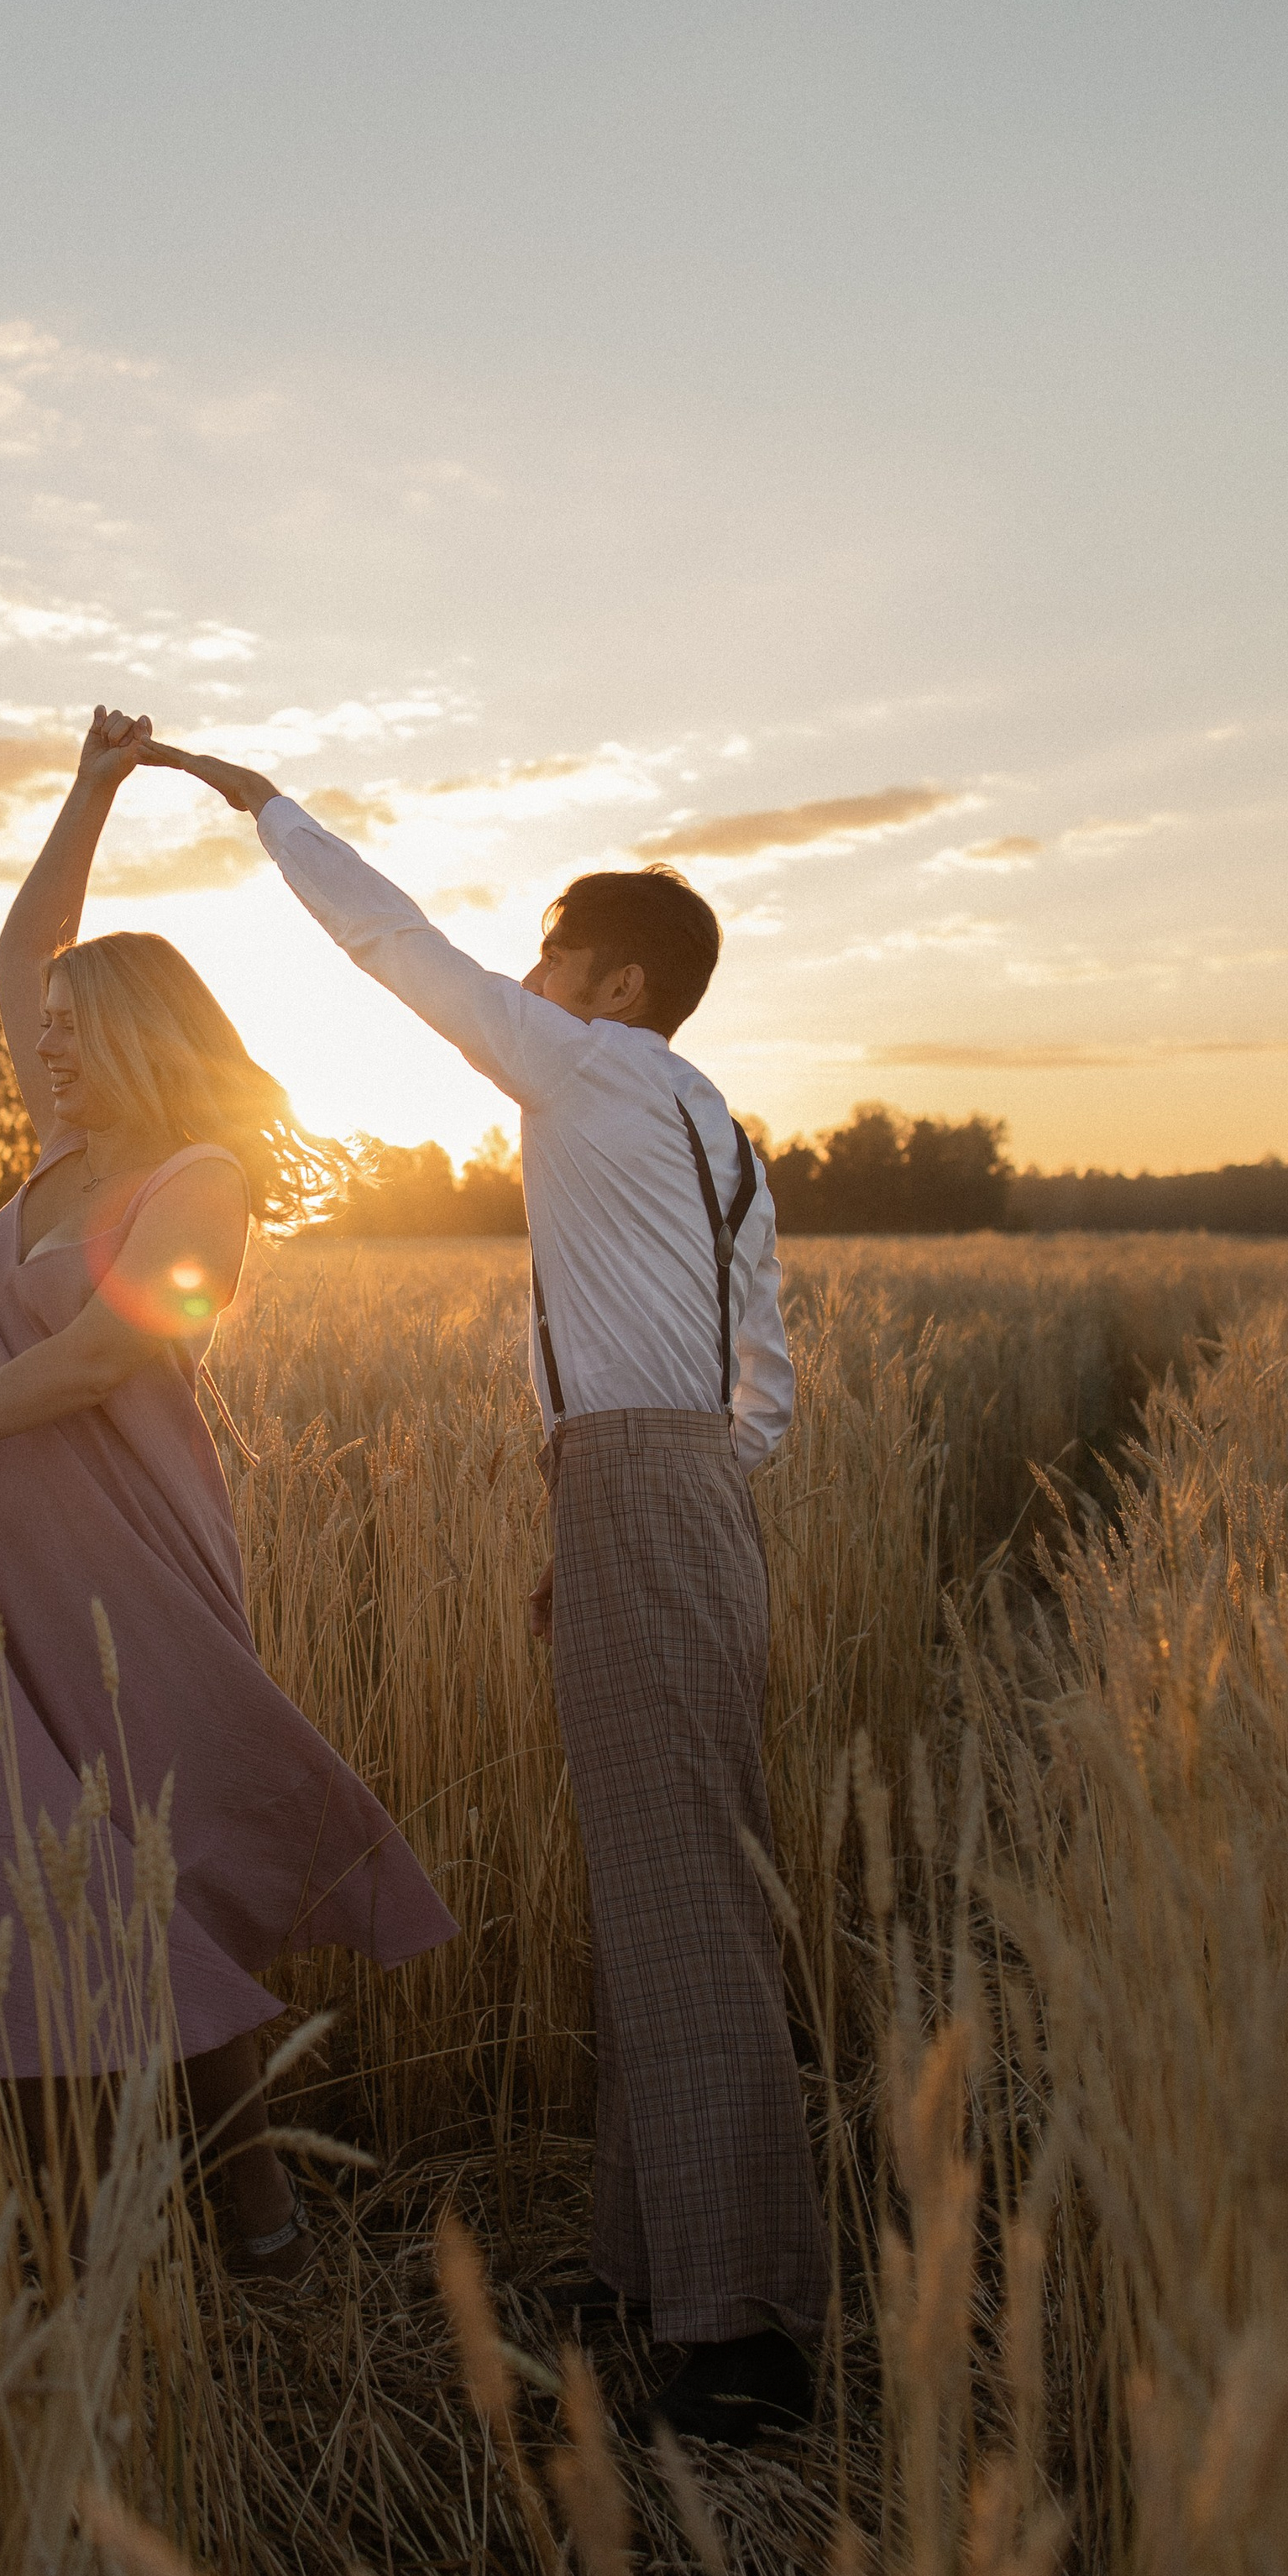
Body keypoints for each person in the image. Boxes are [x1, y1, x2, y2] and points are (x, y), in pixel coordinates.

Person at [143, 738, 827, 2440]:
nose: (520, 979)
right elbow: (766, 1378)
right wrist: (636, 1504)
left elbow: (393, 950)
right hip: (669, 1503)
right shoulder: (711, 1126)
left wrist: (262, 810)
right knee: (657, 1883)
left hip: (642, 1497)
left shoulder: (587, 1068)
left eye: (547, 954)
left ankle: (740, 2338)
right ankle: (644, 2262)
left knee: (679, 1903)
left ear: (613, 982)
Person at [0, 709, 455, 2280]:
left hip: (123, 1575)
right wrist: (88, 792)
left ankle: (258, 2226)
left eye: (79, 1032)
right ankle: (25, 2207)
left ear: (146, 1038)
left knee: (134, 1878)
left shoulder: (198, 1182)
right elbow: (28, 947)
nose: (47, 1045)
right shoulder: (56, 1153)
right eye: (46, 1034)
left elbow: (102, 1359)